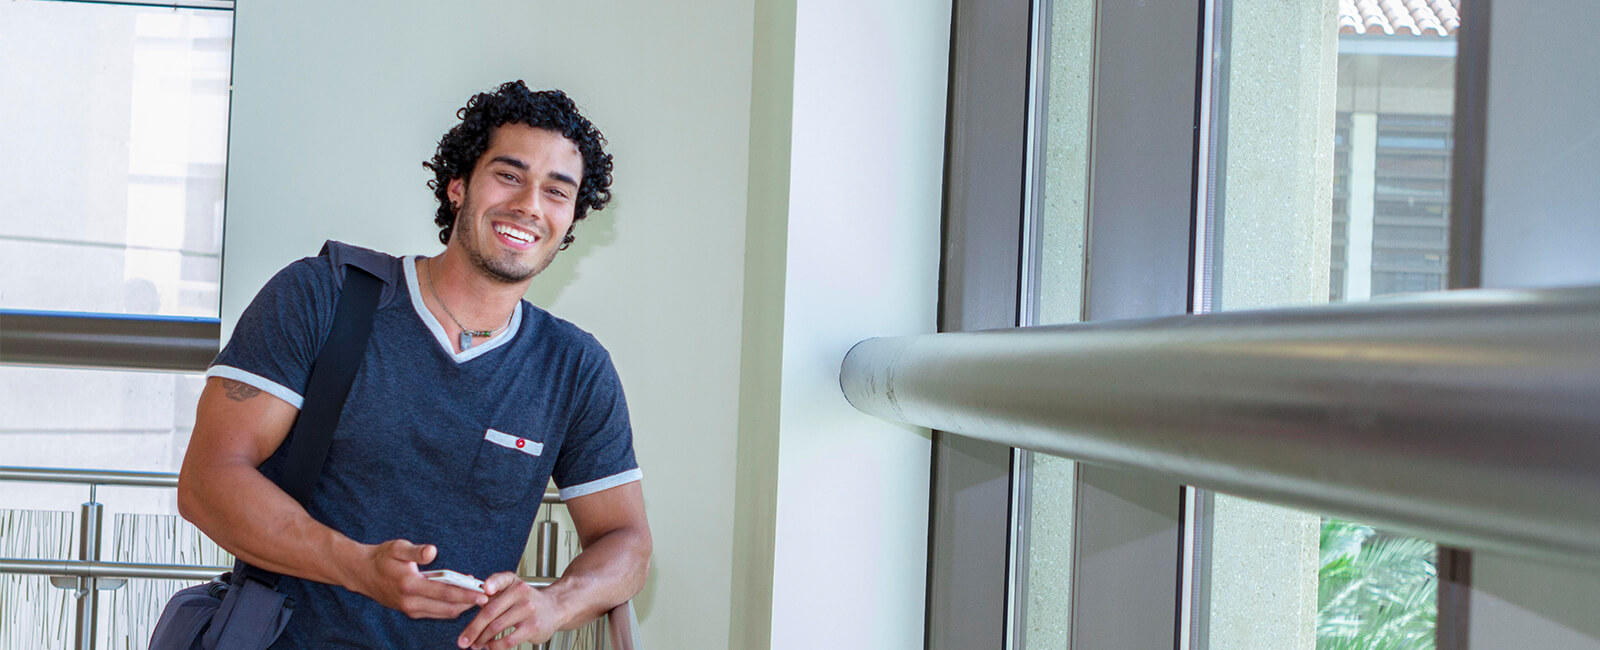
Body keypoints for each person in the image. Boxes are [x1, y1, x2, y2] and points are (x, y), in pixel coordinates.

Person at [178, 81, 650, 650]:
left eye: (556, 191)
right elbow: (208, 481)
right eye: (509, 175)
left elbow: (626, 540)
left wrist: (555, 603)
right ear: (458, 186)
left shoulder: (574, 368)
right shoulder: (321, 296)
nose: (530, 204)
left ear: (570, 218)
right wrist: (357, 567)